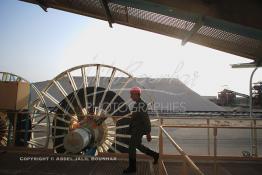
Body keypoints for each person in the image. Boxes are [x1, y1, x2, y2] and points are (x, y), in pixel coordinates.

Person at [123, 86, 159, 174]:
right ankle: (155, 155)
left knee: (131, 148)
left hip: (138, 130)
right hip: (136, 129)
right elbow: (136, 118)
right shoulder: (137, 104)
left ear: (136, 94)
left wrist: (148, 133)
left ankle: (132, 167)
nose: (131, 97)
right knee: (138, 145)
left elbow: (146, 119)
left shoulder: (141, 104)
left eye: (132, 94)